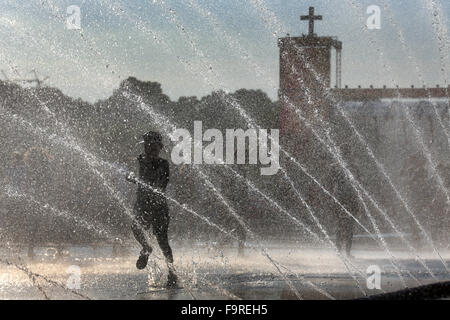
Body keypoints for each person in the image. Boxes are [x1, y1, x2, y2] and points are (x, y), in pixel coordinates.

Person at [126, 131, 178, 288]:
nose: (151, 149)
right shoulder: (140, 160)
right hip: (142, 204)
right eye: (149, 145)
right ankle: (146, 248)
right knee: (135, 228)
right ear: (145, 147)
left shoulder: (163, 164)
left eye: (155, 146)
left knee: (163, 241)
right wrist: (129, 176)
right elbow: (129, 172)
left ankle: (172, 272)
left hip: (158, 206)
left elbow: (162, 185)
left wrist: (145, 183)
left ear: (159, 147)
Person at [333, 170, 359, 258]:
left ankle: (343, 252)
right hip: (345, 210)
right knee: (344, 232)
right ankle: (342, 252)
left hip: (346, 210)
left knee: (344, 232)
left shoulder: (342, 187)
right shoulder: (342, 187)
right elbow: (337, 199)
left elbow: (354, 199)